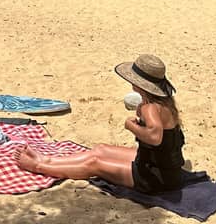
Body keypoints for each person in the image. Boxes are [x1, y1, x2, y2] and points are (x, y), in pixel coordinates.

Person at [15, 54, 185, 194]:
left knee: (94, 164)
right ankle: (48, 159)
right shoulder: (165, 103)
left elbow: (155, 137)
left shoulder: (150, 107)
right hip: (163, 166)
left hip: (155, 178)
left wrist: (131, 126)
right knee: (100, 150)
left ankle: (39, 166)